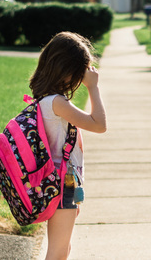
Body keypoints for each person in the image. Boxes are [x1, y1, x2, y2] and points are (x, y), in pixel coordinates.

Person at [29, 31, 107, 260]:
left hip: (60, 182)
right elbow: (99, 125)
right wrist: (93, 87)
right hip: (62, 183)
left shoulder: (45, 99)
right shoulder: (56, 103)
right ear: (66, 69)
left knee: (63, 248)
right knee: (58, 251)